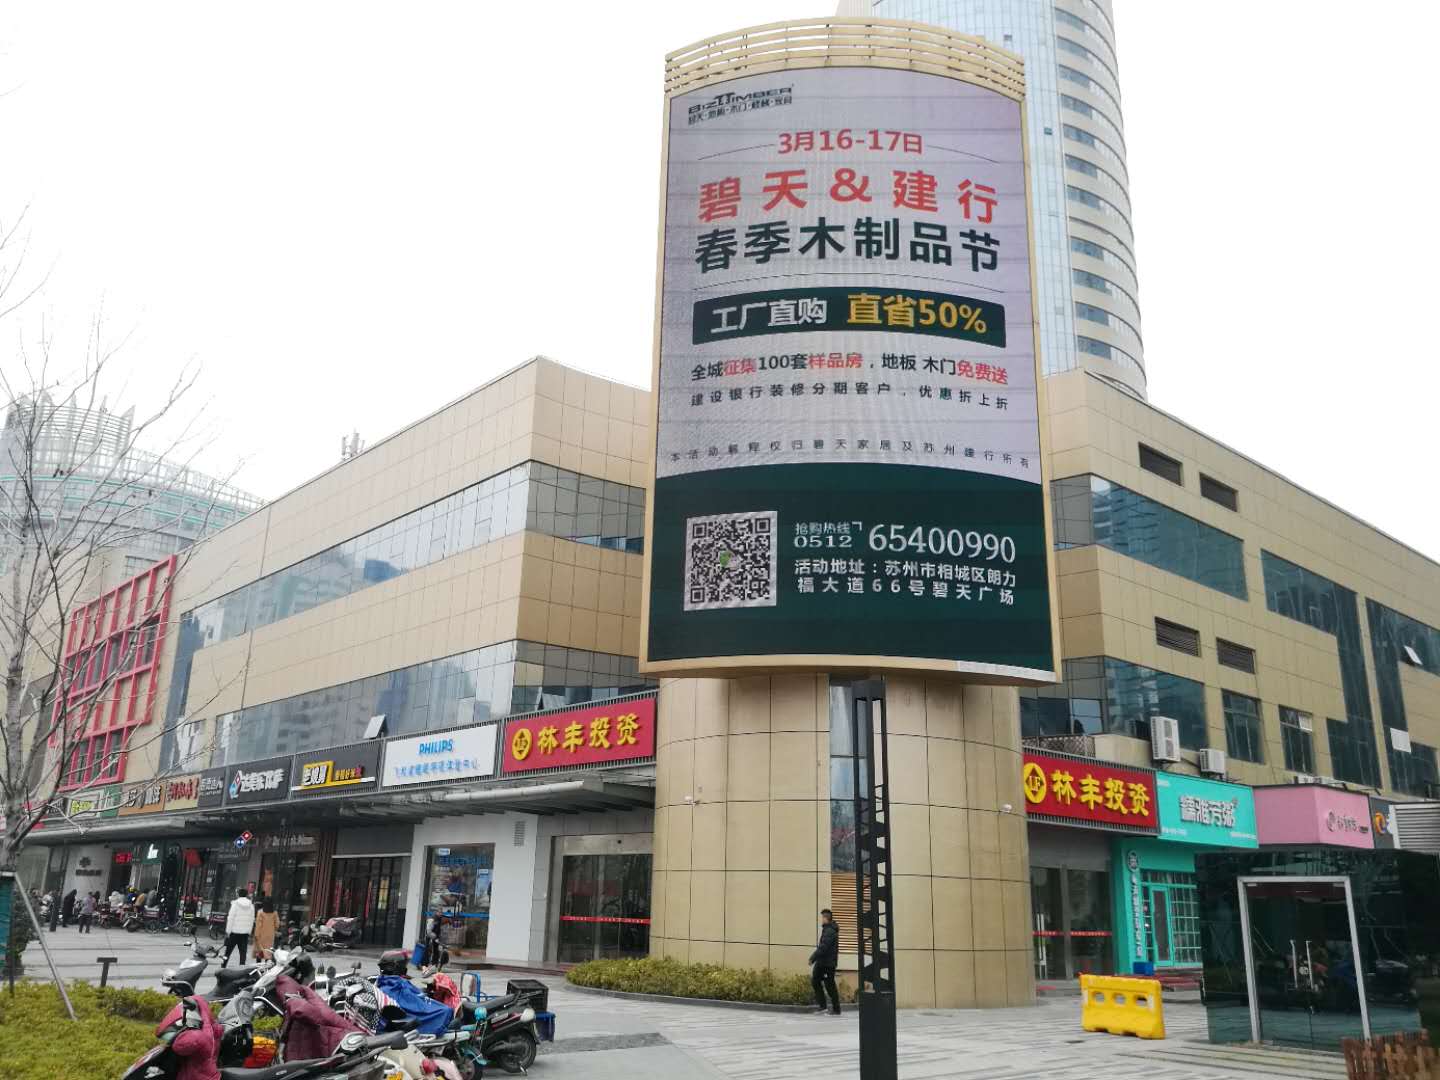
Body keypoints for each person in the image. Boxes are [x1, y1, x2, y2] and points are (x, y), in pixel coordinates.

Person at [809, 908, 841, 1015]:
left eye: (822, 917)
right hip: (822, 962)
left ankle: (836, 1009)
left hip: (827, 964)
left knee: (829, 985)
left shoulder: (830, 931)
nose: (821, 919)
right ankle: (823, 1007)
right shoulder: (827, 929)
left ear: (826, 918)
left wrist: (812, 958)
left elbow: (823, 947)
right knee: (815, 981)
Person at [222, 888, 256, 967]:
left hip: (234, 932)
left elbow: (231, 918)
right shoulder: (251, 905)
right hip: (245, 933)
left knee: (228, 951)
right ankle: (242, 967)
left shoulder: (235, 904)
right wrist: (249, 931)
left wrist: (228, 931)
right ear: (246, 895)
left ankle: (223, 966)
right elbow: (252, 919)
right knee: (243, 952)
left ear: (238, 894)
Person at [252, 896, 279, 960]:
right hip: (270, 935)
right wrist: (274, 929)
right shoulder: (275, 913)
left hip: (261, 934)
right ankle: (267, 963)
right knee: (268, 951)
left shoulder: (260, 912)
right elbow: (277, 924)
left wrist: (256, 935)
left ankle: (258, 964)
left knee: (260, 951)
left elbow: (258, 925)